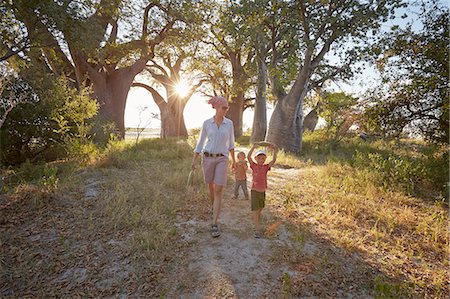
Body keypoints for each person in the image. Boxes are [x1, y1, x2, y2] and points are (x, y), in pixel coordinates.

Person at [191, 96, 235, 238]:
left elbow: (231, 144)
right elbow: (200, 142)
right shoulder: (206, 123)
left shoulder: (229, 124)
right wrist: (194, 160)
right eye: (224, 108)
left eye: (227, 108)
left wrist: (234, 161)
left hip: (222, 159)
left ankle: (214, 223)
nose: (226, 110)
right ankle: (213, 207)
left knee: (218, 189)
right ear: (216, 107)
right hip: (207, 158)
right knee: (210, 186)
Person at [247, 142, 278, 238]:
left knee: (261, 208)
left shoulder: (266, 167)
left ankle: (256, 218)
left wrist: (274, 150)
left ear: (265, 159)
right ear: (256, 158)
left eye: (263, 158)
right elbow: (248, 157)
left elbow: (274, 160)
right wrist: (253, 147)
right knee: (255, 210)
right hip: (254, 191)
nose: (261, 159)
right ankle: (257, 229)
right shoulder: (254, 166)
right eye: (259, 158)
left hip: (262, 191)